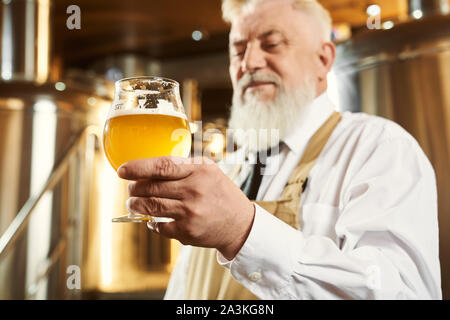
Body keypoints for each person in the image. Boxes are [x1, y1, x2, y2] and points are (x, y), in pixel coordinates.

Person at [117, 0, 442, 299]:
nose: (250, 62)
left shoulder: (377, 149)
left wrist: (242, 230)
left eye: (272, 44)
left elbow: (399, 292)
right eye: (238, 50)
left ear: (323, 59)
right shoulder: (227, 168)